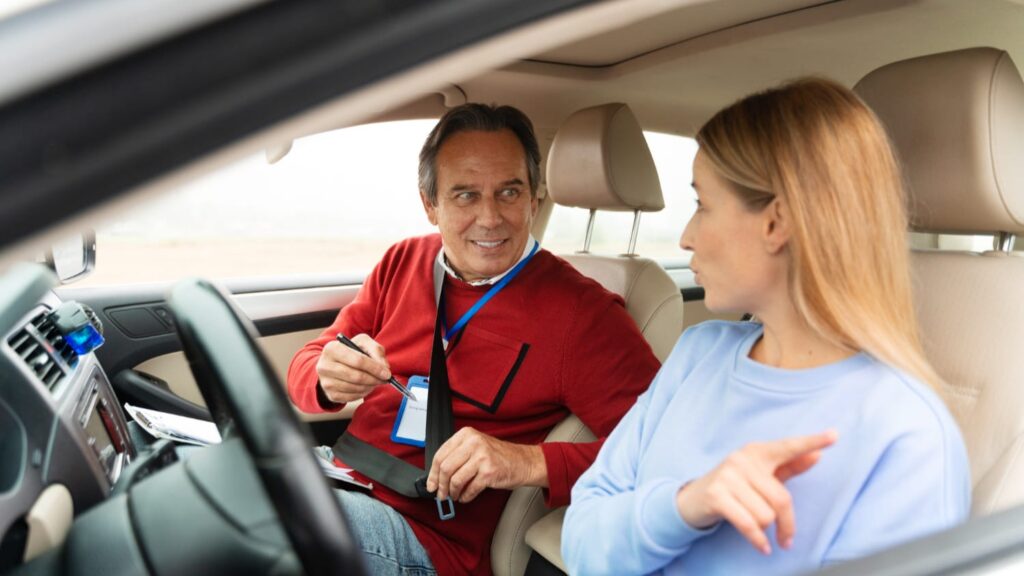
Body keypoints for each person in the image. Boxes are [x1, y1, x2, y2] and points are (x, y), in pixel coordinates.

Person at [561, 78, 971, 576]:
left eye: (703, 205)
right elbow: (580, 542)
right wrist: (686, 505)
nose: (686, 237)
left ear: (777, 223)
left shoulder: (907, 433)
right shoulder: (697, 353)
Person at [287, 103, 660, 575]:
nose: (490, 218)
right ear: (430, 205)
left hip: (425, 537)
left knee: (252, 523)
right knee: (205, 479)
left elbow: (662, 448)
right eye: (465, 195)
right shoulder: (404, 261)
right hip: (340, 474)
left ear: (534, 201)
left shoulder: (584, 314)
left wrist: (528, 462)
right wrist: (326, 377)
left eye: (509, 192)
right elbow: (310, 362)